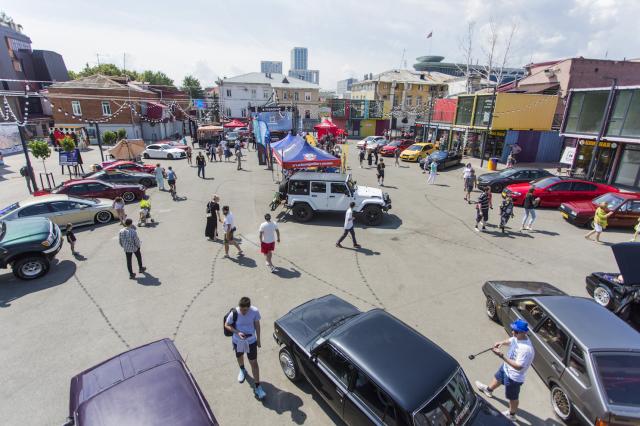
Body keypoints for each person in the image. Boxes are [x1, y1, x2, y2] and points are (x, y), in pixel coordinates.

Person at [475, 319, 535, 421]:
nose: (513, 332)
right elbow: (511, 340)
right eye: (513, 330)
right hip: (506, 368)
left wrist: (501, 355)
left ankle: (512, 414)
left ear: (524, 332)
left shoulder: (526, 349)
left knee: (512, 398)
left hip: (513, 377)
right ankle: (488, 390)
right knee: (497, 378)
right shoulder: (518, 337)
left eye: (515, 331)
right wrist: (501, 342)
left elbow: (519, 366)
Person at [224, 297, 265, 400]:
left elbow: (257, 325)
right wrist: (238, 332)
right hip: (239, 340)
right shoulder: (235, 312)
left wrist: (258, 339)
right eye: (241, 309)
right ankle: (242, 370)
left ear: (249, 307)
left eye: (245, 310)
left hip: (251, 341)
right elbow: (227, 325)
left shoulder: (254, 311)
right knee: (240, 356)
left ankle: (257, 386)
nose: (242, 312)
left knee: (254, 363)